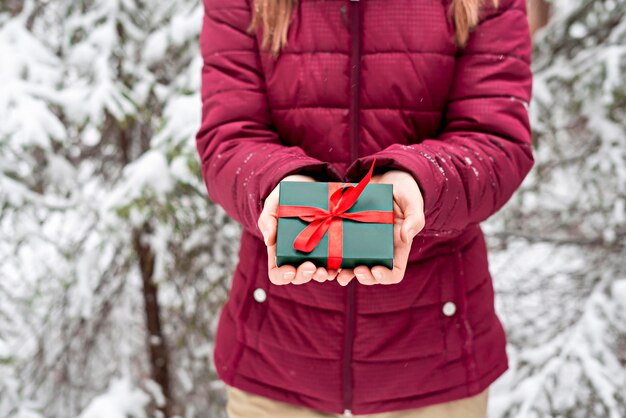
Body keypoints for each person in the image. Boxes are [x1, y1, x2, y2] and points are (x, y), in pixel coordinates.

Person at [194, 0, 534, 416]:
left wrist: (417, 182)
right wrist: (279, 185)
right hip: (277, 365)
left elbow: (495, 141)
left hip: (435, 368)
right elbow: (228, 139)